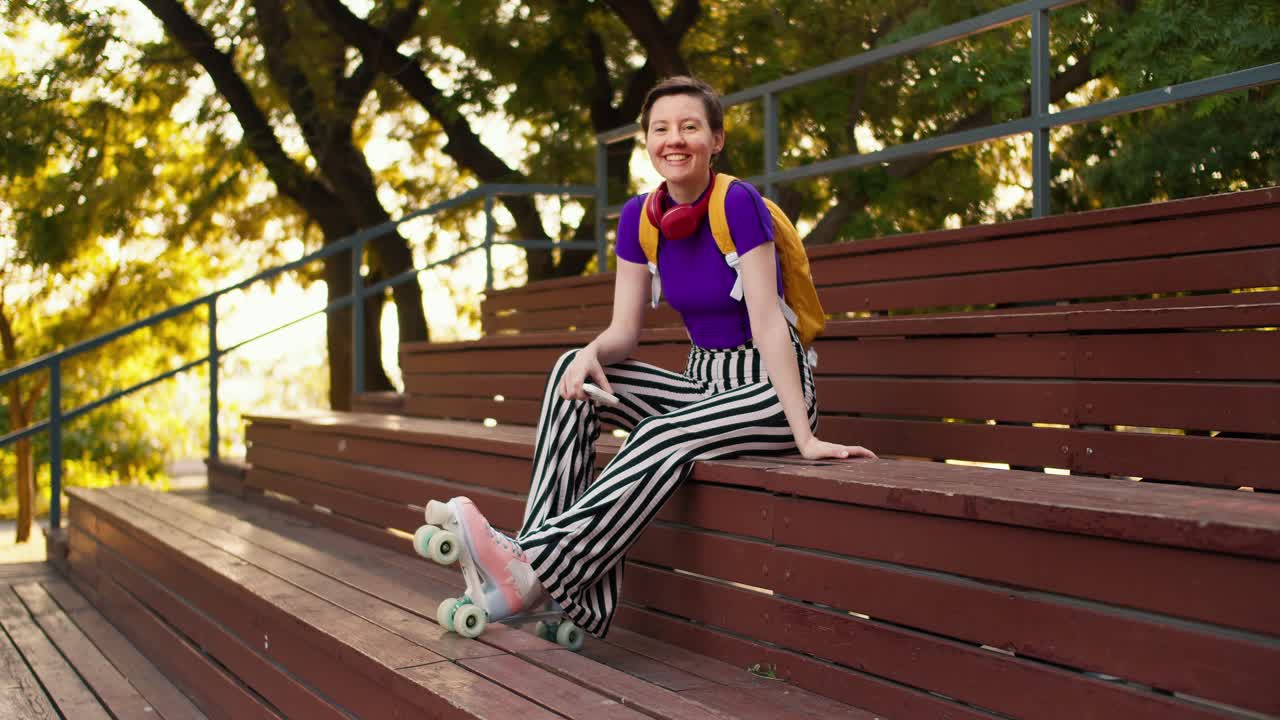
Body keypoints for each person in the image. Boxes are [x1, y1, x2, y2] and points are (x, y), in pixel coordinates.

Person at [431, 76, 876, 640]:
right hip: (704, 387)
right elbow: (623, 333)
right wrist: (589, 352)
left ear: (715, 140)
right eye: (661, 129)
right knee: (576, 380)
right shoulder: (640, 217)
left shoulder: (736, 203)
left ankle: (532, 567)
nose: (675, 139)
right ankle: (539, 576)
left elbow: (767, 320)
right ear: (647, 141)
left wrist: (805, 437)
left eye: (690, 127)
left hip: (769, 391)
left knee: (658, 435)